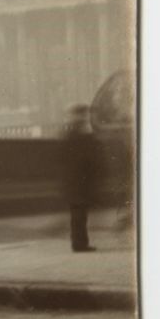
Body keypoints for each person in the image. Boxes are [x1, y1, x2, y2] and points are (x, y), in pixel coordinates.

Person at [59, 104, 102, 252]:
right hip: (79, 183)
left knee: (78, 216)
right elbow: (89, 159)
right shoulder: (80, 135)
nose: (85, 118)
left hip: (73, 182)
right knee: (79, 216)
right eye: (83, 115)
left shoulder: (69, 133)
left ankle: (79, 243)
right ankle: (79, 244)